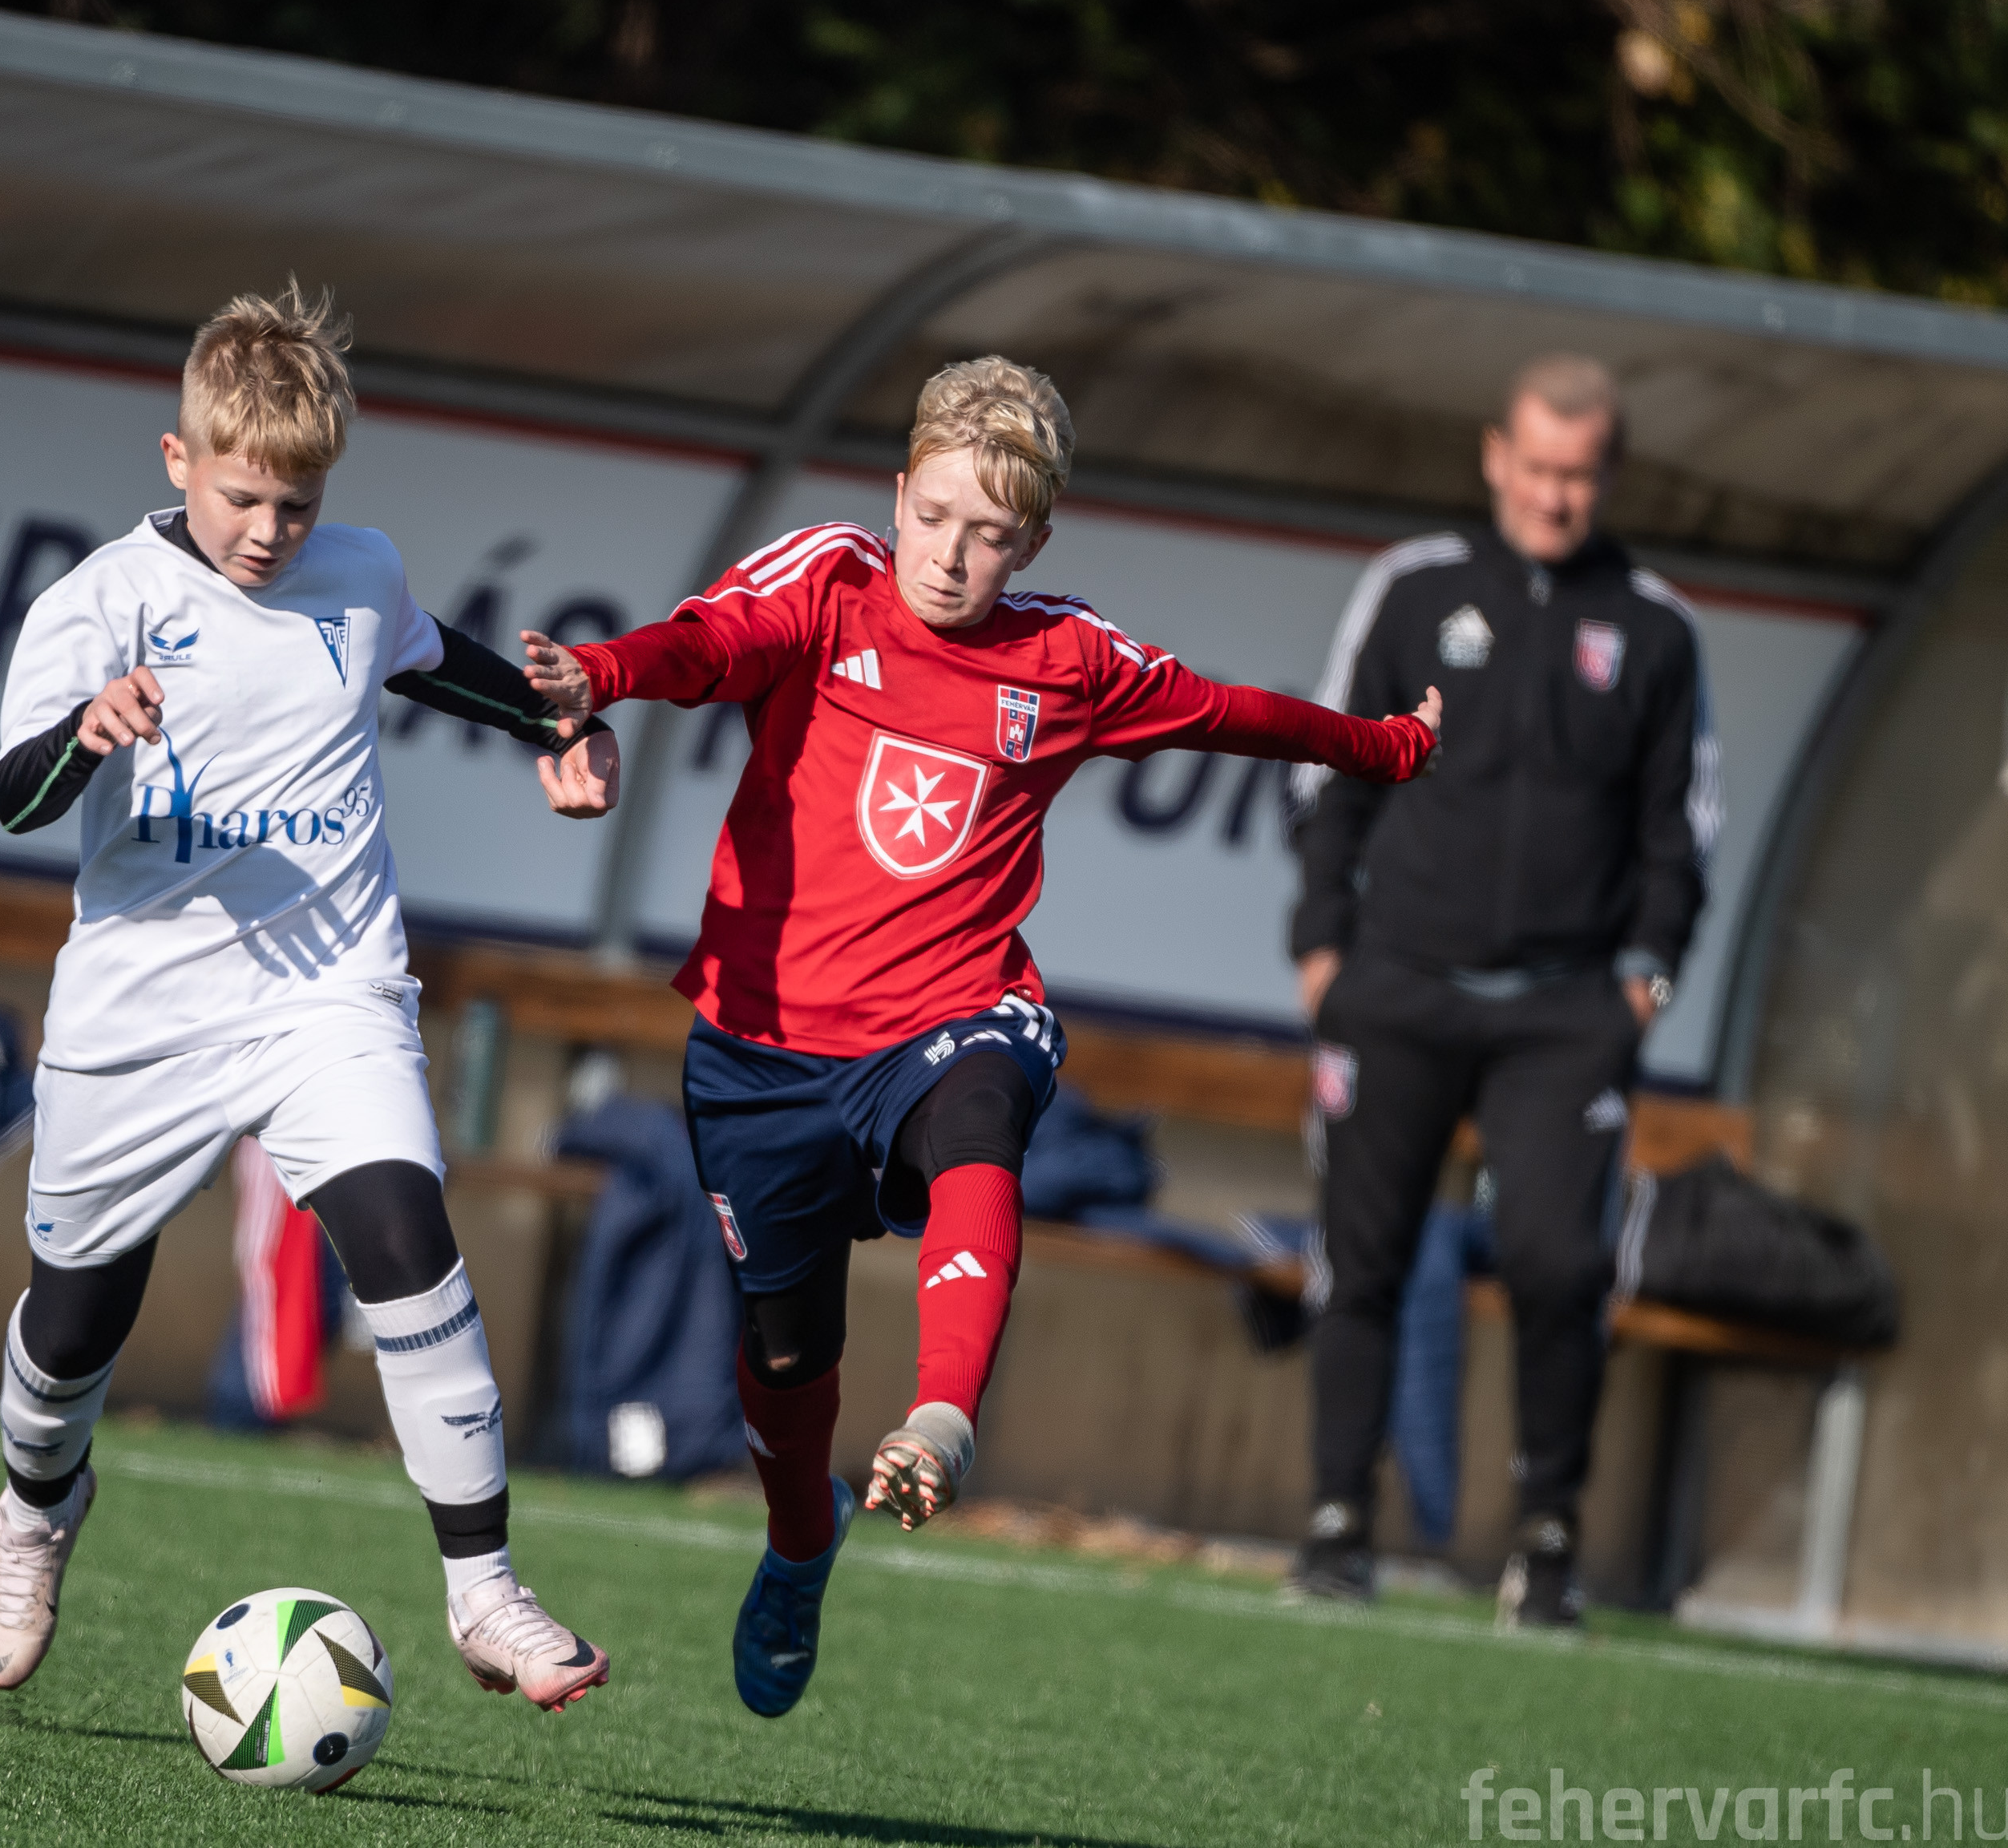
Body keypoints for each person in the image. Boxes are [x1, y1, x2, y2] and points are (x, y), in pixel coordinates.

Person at [520, 356, 1440, 1717]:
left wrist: (1385, 747)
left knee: (984, 1110)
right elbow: (705, 646)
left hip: (949, 1008)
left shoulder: (1071, 660)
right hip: (763, 1042)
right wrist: (596, 675)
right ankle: (800, 1541)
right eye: (936, 516)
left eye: (990, 533)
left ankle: (943, 1415)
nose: (951, 556)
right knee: (787, 1356)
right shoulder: (829, 583)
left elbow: (1238, 715)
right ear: (899, 494)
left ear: (1036, 541)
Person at [0, 285, 624, 1713]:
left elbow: (443, 666)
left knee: (406, 1236)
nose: (271, 531)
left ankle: (484, 1589)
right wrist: (89, 731)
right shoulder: (100, 602)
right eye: (245, 498)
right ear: (179, 461)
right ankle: (32, 1512)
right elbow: (17, 795)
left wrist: (573, 725)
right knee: (74, 1324)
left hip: (331, 989)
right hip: (142, 1011)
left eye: (299, 504)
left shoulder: (360, 573)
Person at [1283, 352, 1717, 1626]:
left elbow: (1682, 832)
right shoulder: (1413, 587)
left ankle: (1547, 1541)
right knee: (1361, 1258)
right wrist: (1322, 948)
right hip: (1398, 985)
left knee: (1557, 1263)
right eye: (1536, 467)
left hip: (1563, 1012)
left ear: (1610, 474)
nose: (1554, 495)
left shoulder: (1655, 627)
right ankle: (1336, 1521)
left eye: (1578, 474)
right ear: (1495, 457)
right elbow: (1328, 767)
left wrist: (1642, 984)